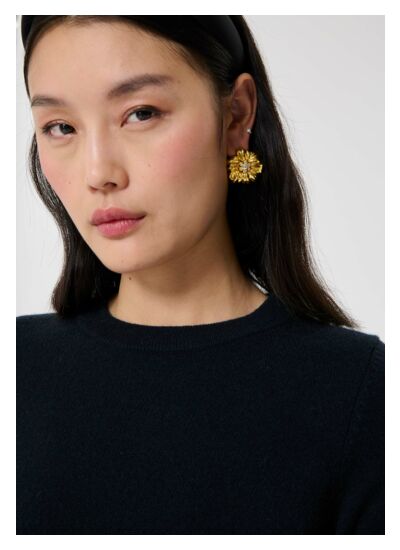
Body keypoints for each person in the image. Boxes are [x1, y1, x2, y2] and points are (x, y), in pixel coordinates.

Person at [17, 16, 384, 535]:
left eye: (141, 114)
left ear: (236, 115)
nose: (98, 173)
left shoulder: (361, 391)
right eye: (61, 127)